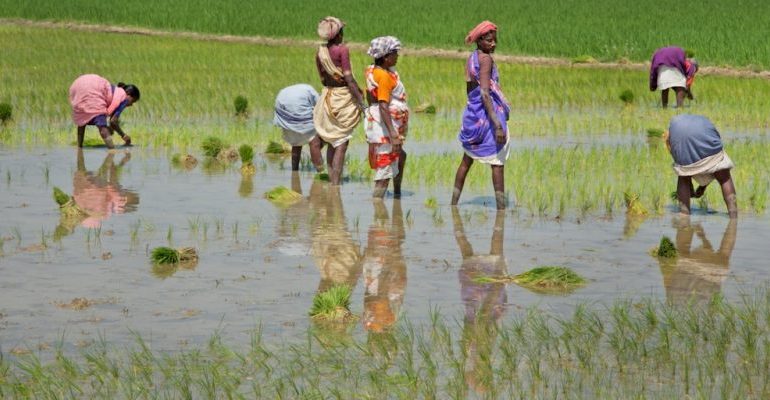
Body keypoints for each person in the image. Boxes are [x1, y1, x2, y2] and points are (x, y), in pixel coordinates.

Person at [451, 21, 511, 210]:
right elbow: (485, 93)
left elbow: (471, 91)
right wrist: (498, 125)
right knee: (497, 163)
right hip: (487, 119)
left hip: (473, 116)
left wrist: (475, 113)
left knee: (466, 162)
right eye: (489, 41)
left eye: (495, 40)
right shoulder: (486, 60)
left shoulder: (473, 58)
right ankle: (501, 210)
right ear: (479, 41)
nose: (493, 44)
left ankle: (453, 205)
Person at [452, 208, 507, 395]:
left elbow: (476, 323)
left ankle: (457, 221)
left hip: (480, 306)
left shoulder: (475, 352)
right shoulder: (482, 351)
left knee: (475, 259)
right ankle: (459, 222)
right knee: (492, 258)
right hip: (483, 307)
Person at [312, 16, 366, 185]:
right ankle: (335, 186)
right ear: (337, 35)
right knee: (341, 143)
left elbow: (322, 78)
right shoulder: (342, 50)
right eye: (342, 31)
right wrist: (361, 103)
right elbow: (348, 78)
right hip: (342, 99)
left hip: (327, 97)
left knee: (331, 141)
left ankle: (330, 180)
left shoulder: (320, 52)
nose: (343, 34)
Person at [665, 114, 737, 218]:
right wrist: (700, 188)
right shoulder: (702, 125)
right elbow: (712, 166)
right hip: (705, 133)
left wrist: (701, 188)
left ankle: (684, 215)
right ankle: (733, 216)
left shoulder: (674, 138)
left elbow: (686, 169)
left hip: (680, 133)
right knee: (724, 177)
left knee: (683, 177)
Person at [364, 36, 409, 198]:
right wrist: (393, 135)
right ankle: (378, 205)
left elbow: (370, 97)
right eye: (394, 53)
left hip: (380, 125)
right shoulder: (383, 77)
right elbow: (383, 105)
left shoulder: (373, 70)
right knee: (385, 167)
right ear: (385, 57)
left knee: (399, 156)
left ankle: (397, 193)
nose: (397, 55)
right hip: (385, 128)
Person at [658, 217, 736, 304]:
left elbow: (667, 275)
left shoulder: (672, 298)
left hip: (712, 272)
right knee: (724, 256)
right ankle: (734, 220)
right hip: (719, 271)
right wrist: (703, 237)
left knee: (681, 253)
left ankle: (684, 221)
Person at [362, 200, 407, 333]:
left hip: (385, 282)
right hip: (384, 280)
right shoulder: (373, 320)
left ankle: (381, 207)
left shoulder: (378, 317)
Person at [72, 148, 139, 228]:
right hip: (81, 190)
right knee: (85, 169)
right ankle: (80, 151)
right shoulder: (115, 208)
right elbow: (113, 177)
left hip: (88, 189)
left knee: (100, 177)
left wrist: (115, 158)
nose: (127, 191)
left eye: (130, 193)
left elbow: (113, 177)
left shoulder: (121, 199)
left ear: (127, 200)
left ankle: (81, 150)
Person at [69, 74, 140, 149]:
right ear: (128, 94)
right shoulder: (123, 97)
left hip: (78, 85)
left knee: (82, 120)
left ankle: (79, 148)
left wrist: (111, 129)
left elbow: (112, 122)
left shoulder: (114, 92)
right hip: (92, 89)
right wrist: (124, 135)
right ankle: (112, 151)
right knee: (102, 126)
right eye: (133, 101)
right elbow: (113, 121)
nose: (131, 104)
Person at [273, 83, 326, 172]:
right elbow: (320, 108)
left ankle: (294, 172)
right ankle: (321, 172)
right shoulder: (312, 92)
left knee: (296, 143)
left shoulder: (306, 89)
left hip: (283, 110)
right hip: (294, 105)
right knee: (314, 142)